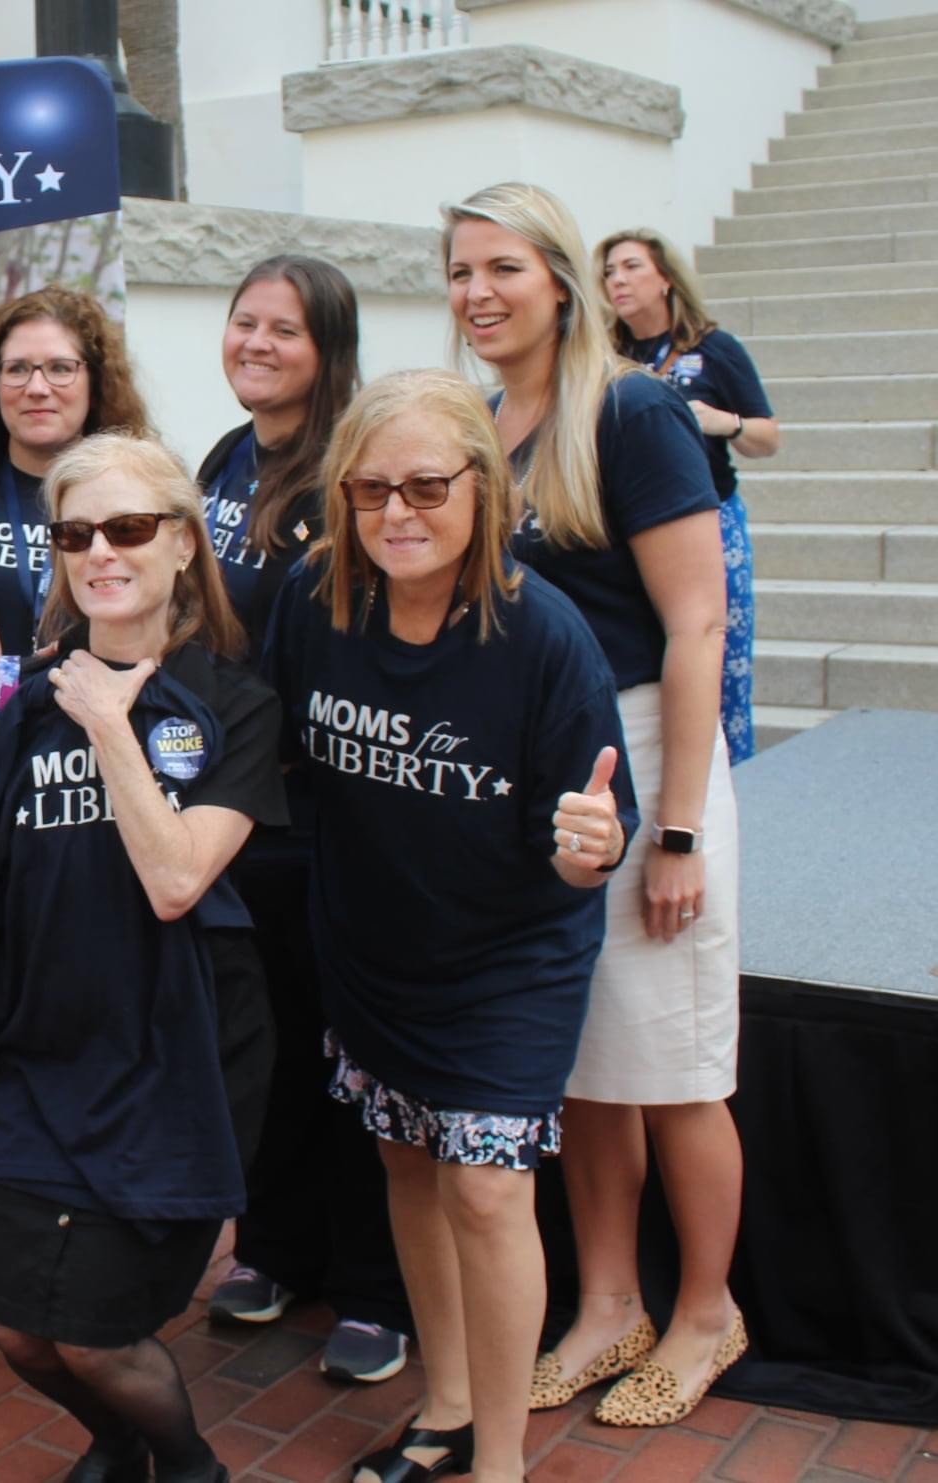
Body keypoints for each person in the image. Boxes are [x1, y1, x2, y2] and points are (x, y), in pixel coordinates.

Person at [0, 432, 288, 1483]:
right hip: (34, 1047)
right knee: (18, 1329)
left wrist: (108, 722)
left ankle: (186, 1465)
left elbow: (176, 880)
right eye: (76, 533)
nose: (101, 551)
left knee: (98, 1333)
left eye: (129, 527)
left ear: (183, 543)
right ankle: (116, 1439)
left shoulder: (234, 703)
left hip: (167, 1058)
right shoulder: (20, 691)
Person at [266, 367, 636, 1483]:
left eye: (427, 486)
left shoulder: (543, 637)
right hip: (374, 945)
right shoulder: (317, 600)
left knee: (483, 1183)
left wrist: (594, 843)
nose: (397, 513)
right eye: (370, 489)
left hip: (507, 960)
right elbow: (273, 752)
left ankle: (503, 1463)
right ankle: (449, 1405)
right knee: (406, 1157)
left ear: (484, 487)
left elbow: (588, 841)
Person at [445, 182, 746, 1429]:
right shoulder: (485, 421)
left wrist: (678, 829)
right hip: (545, 774)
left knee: (674, 1064)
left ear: (562, 281)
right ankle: (610, 1301)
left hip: (647, 753)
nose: (478, 293)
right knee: (583, 1064)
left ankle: (707, 1311)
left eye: (503, 268)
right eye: (460, 271)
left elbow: (697, 622)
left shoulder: (631, 410)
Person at [196, 254, 413, 1386]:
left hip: (328, 818)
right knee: (268, 1047)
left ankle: (376, 1291)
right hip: (241, 819)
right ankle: (276, 1249)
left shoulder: (349, 473)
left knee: (349, 1059)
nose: (257, 344)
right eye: (246, 323)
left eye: (284, 329)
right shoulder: (225, 460)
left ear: (328, 348)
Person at [598, 227, 780, 764]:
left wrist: (724, 422)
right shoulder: (603, 354)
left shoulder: (714, 349)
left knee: (716, 654)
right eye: (608, 272)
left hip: (708, 521)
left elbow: (768, 438)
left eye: (631, 267)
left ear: (666, 279)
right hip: (627, 527)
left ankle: (724, 770)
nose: (617, 280)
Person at [0, 284, 152, 662]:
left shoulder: (140, 501)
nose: (37, 388)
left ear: (96, 383)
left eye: (60, 368)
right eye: (17, 369)